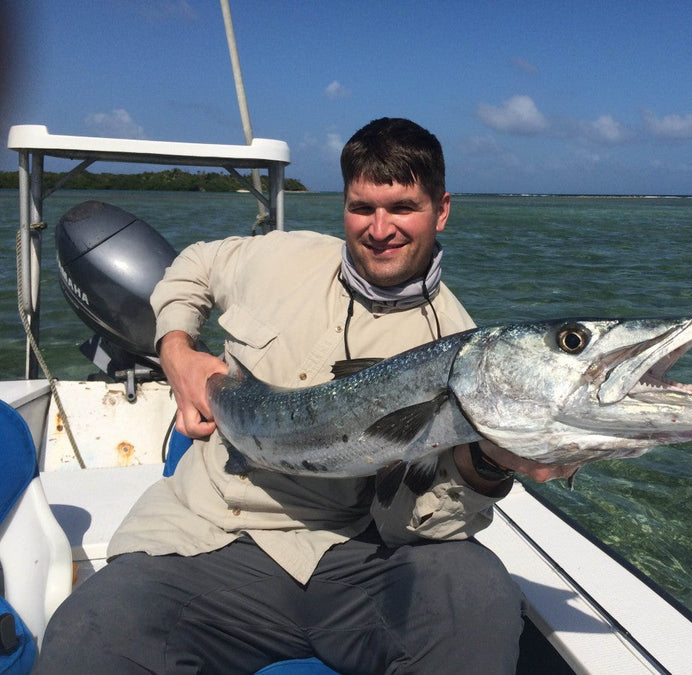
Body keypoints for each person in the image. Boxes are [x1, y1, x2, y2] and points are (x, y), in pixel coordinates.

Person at [38, 118, 573, 674]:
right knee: (87, 638)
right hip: (207, 532)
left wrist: (485, 464)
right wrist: (176, 348)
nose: (380, 228)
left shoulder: (458, 343)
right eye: (362, 208)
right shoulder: (281, 256)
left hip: (356, 554)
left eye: (403, 208)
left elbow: (414, 523)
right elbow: (194, 264)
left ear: (441, 209)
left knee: (478, 598)